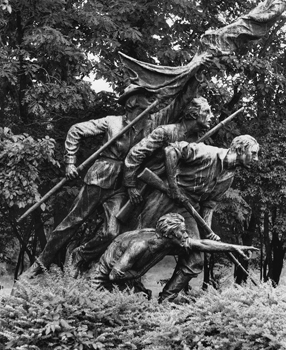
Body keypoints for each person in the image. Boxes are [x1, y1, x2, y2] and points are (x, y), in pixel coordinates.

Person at [24, 76, 200, 277]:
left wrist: (196, 74)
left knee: (111, 232)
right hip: (100, 177)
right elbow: (75, 131)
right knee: (72, 222)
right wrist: (70, 162)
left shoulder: (152, 124)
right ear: (133, 101)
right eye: (146, 96)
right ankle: (37, 266)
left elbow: (181, 102)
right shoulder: (112, 122)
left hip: (123, 185)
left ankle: (80, 255)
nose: (152, 99)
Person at [70, 96, 214, 271]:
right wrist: (130, 186)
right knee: (127, 235)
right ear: (192, 114)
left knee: (182, 244)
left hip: (173, 197)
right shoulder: (165, 132)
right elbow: (134, 155)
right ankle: (94, 263)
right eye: (207, 111)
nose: (211, 116)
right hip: (148, 191)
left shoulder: (199, 142)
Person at [138, 135, 259, 302]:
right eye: (253, 153)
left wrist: (206, 232)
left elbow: (209, 204)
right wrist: (173, 186)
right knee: (142, 247)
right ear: (240, 149)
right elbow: (171, 150)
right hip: (164, 198)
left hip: (188, 209)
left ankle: (167, 299)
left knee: (195, 259)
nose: (256, 158)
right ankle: (127, 291)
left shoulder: (228, 177)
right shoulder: (207, 153)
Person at [91, 213, 257, 295]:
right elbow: (114, 275)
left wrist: (233, 247)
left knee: (143, 298)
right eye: (182, 232)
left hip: (125, 280)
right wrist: (137, 274)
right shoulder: (140, 245)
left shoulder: (169, 242)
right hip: (102, 282)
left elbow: (202, 244)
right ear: (170, 233)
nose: (186, 235)